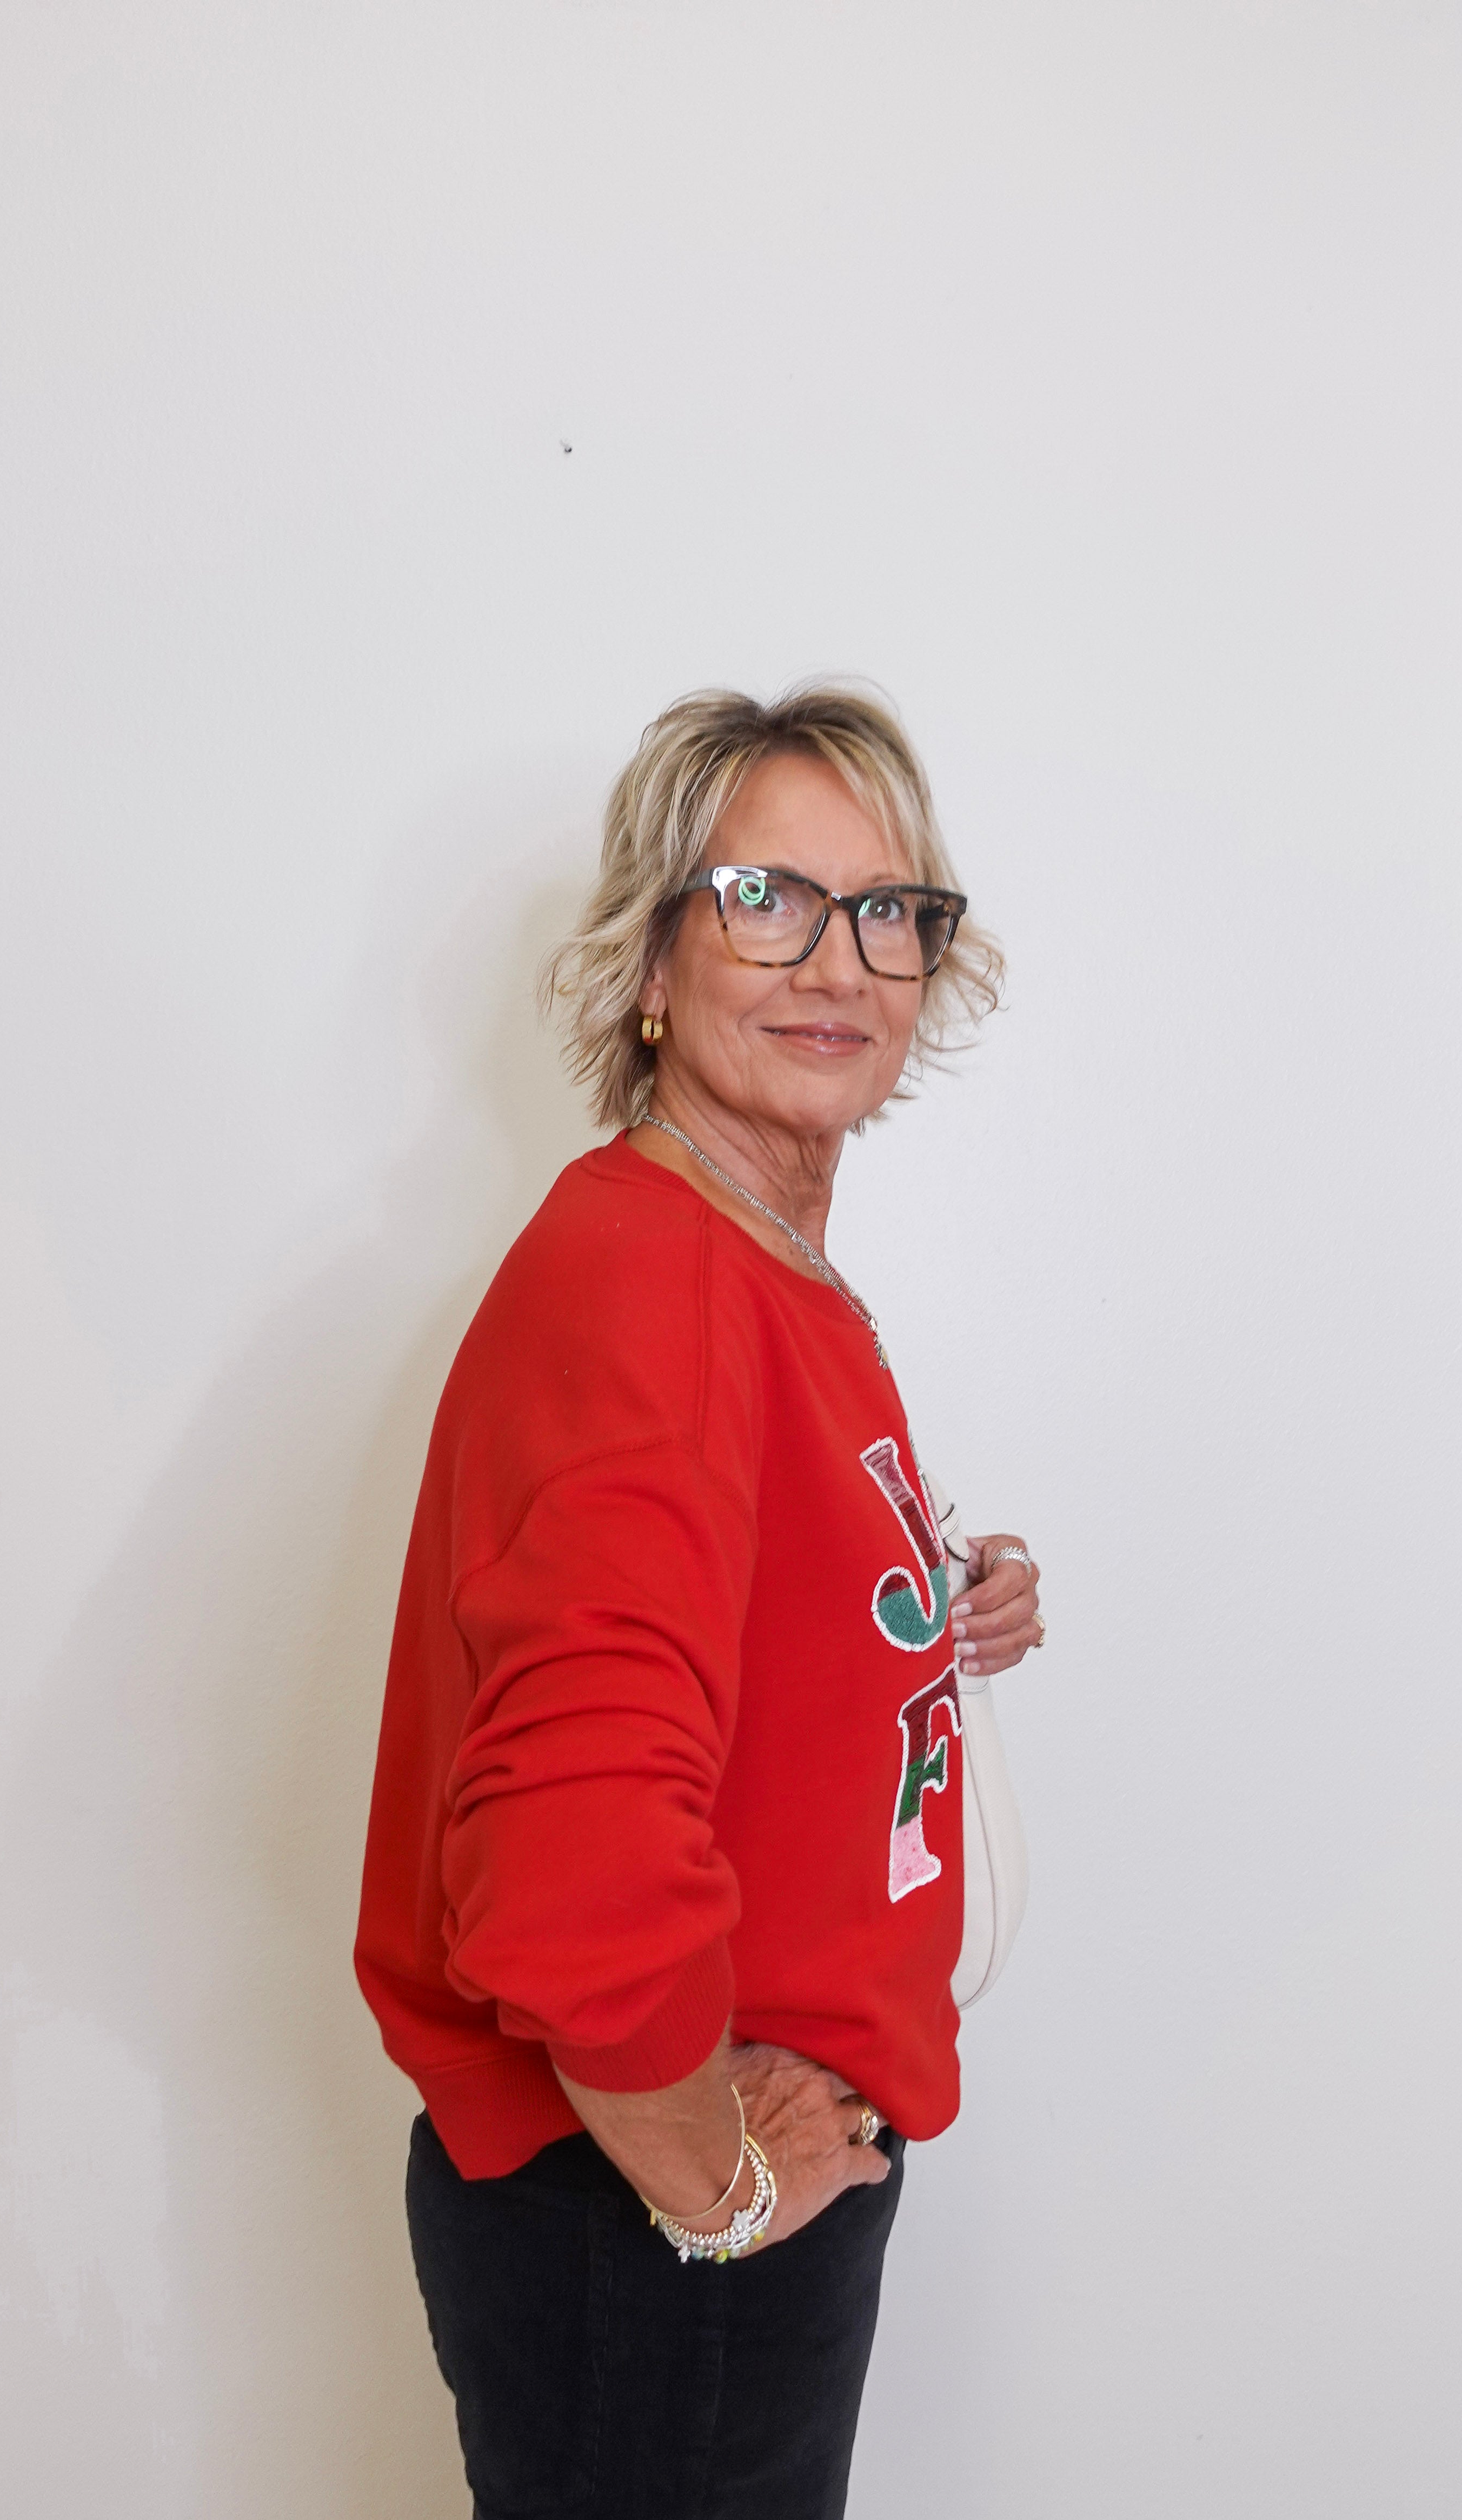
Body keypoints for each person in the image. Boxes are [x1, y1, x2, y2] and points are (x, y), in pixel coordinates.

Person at [354, 683, 1045, 2519]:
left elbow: (714, 1613)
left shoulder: (740, 1259)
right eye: (766, 899)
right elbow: (569, 1849)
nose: (836, 962)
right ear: (654, 958)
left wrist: (928, 1605)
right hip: (650, 2214)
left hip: (692, 2202)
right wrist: (710, 2185)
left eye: (885, 911)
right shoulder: (648, 1281)